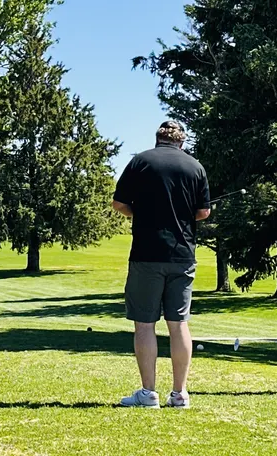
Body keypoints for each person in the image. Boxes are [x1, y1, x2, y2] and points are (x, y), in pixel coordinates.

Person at [112, 121, 210, 409]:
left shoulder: (140, 161)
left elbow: (118, 203)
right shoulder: (195, 167)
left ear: (157, 140)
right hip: (182, 255)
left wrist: (139, 213)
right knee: (178, 323)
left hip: (146, 253)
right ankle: (179, 394)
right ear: (181, 142)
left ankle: (148, 393)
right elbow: (203, 211)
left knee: (144, 324)